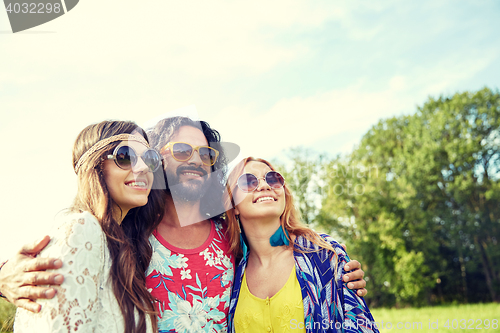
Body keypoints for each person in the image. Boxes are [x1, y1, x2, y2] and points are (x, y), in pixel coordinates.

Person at [0, 117, 368, 332]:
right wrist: (3, 277)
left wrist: (338, 271)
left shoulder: (231, 237)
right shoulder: (129, 232)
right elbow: (60, 266)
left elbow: (283, 255)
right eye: (179, 151)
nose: (194, 160)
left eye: (204, 153)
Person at [13, 120, 165, 332]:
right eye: (125, 156)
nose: (142, 167)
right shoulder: (82, 228)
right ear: (96, 167)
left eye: (149, 158)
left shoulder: (124, 244)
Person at [224, 157, 379, 333]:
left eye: (273, 179)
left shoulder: (325, 253)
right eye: (248, 181)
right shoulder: (229, 274)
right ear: (233, 204)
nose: (265, 185)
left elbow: (361, 326)